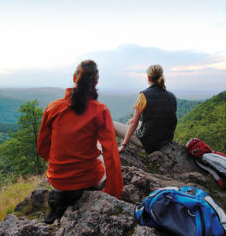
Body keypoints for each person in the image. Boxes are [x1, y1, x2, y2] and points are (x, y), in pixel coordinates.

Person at [37, 60, 123, 224]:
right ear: (96, 82)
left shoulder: (53, 108)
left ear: (74, 77)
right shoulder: (100, 110)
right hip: (88, 180)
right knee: (98, 147)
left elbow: (42, 149)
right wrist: (113, 192)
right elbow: (111, 154)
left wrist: (64, 164)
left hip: (57, 182)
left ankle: (58, 204)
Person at [115, 64, 177, 154]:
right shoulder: (171, 96)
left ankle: (120, 146)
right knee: (129, 121)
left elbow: (134, 123)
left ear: (148, 78)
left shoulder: (144, 95)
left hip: (149, 143)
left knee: (112, 125)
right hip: (165, 140)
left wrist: (123, 145)